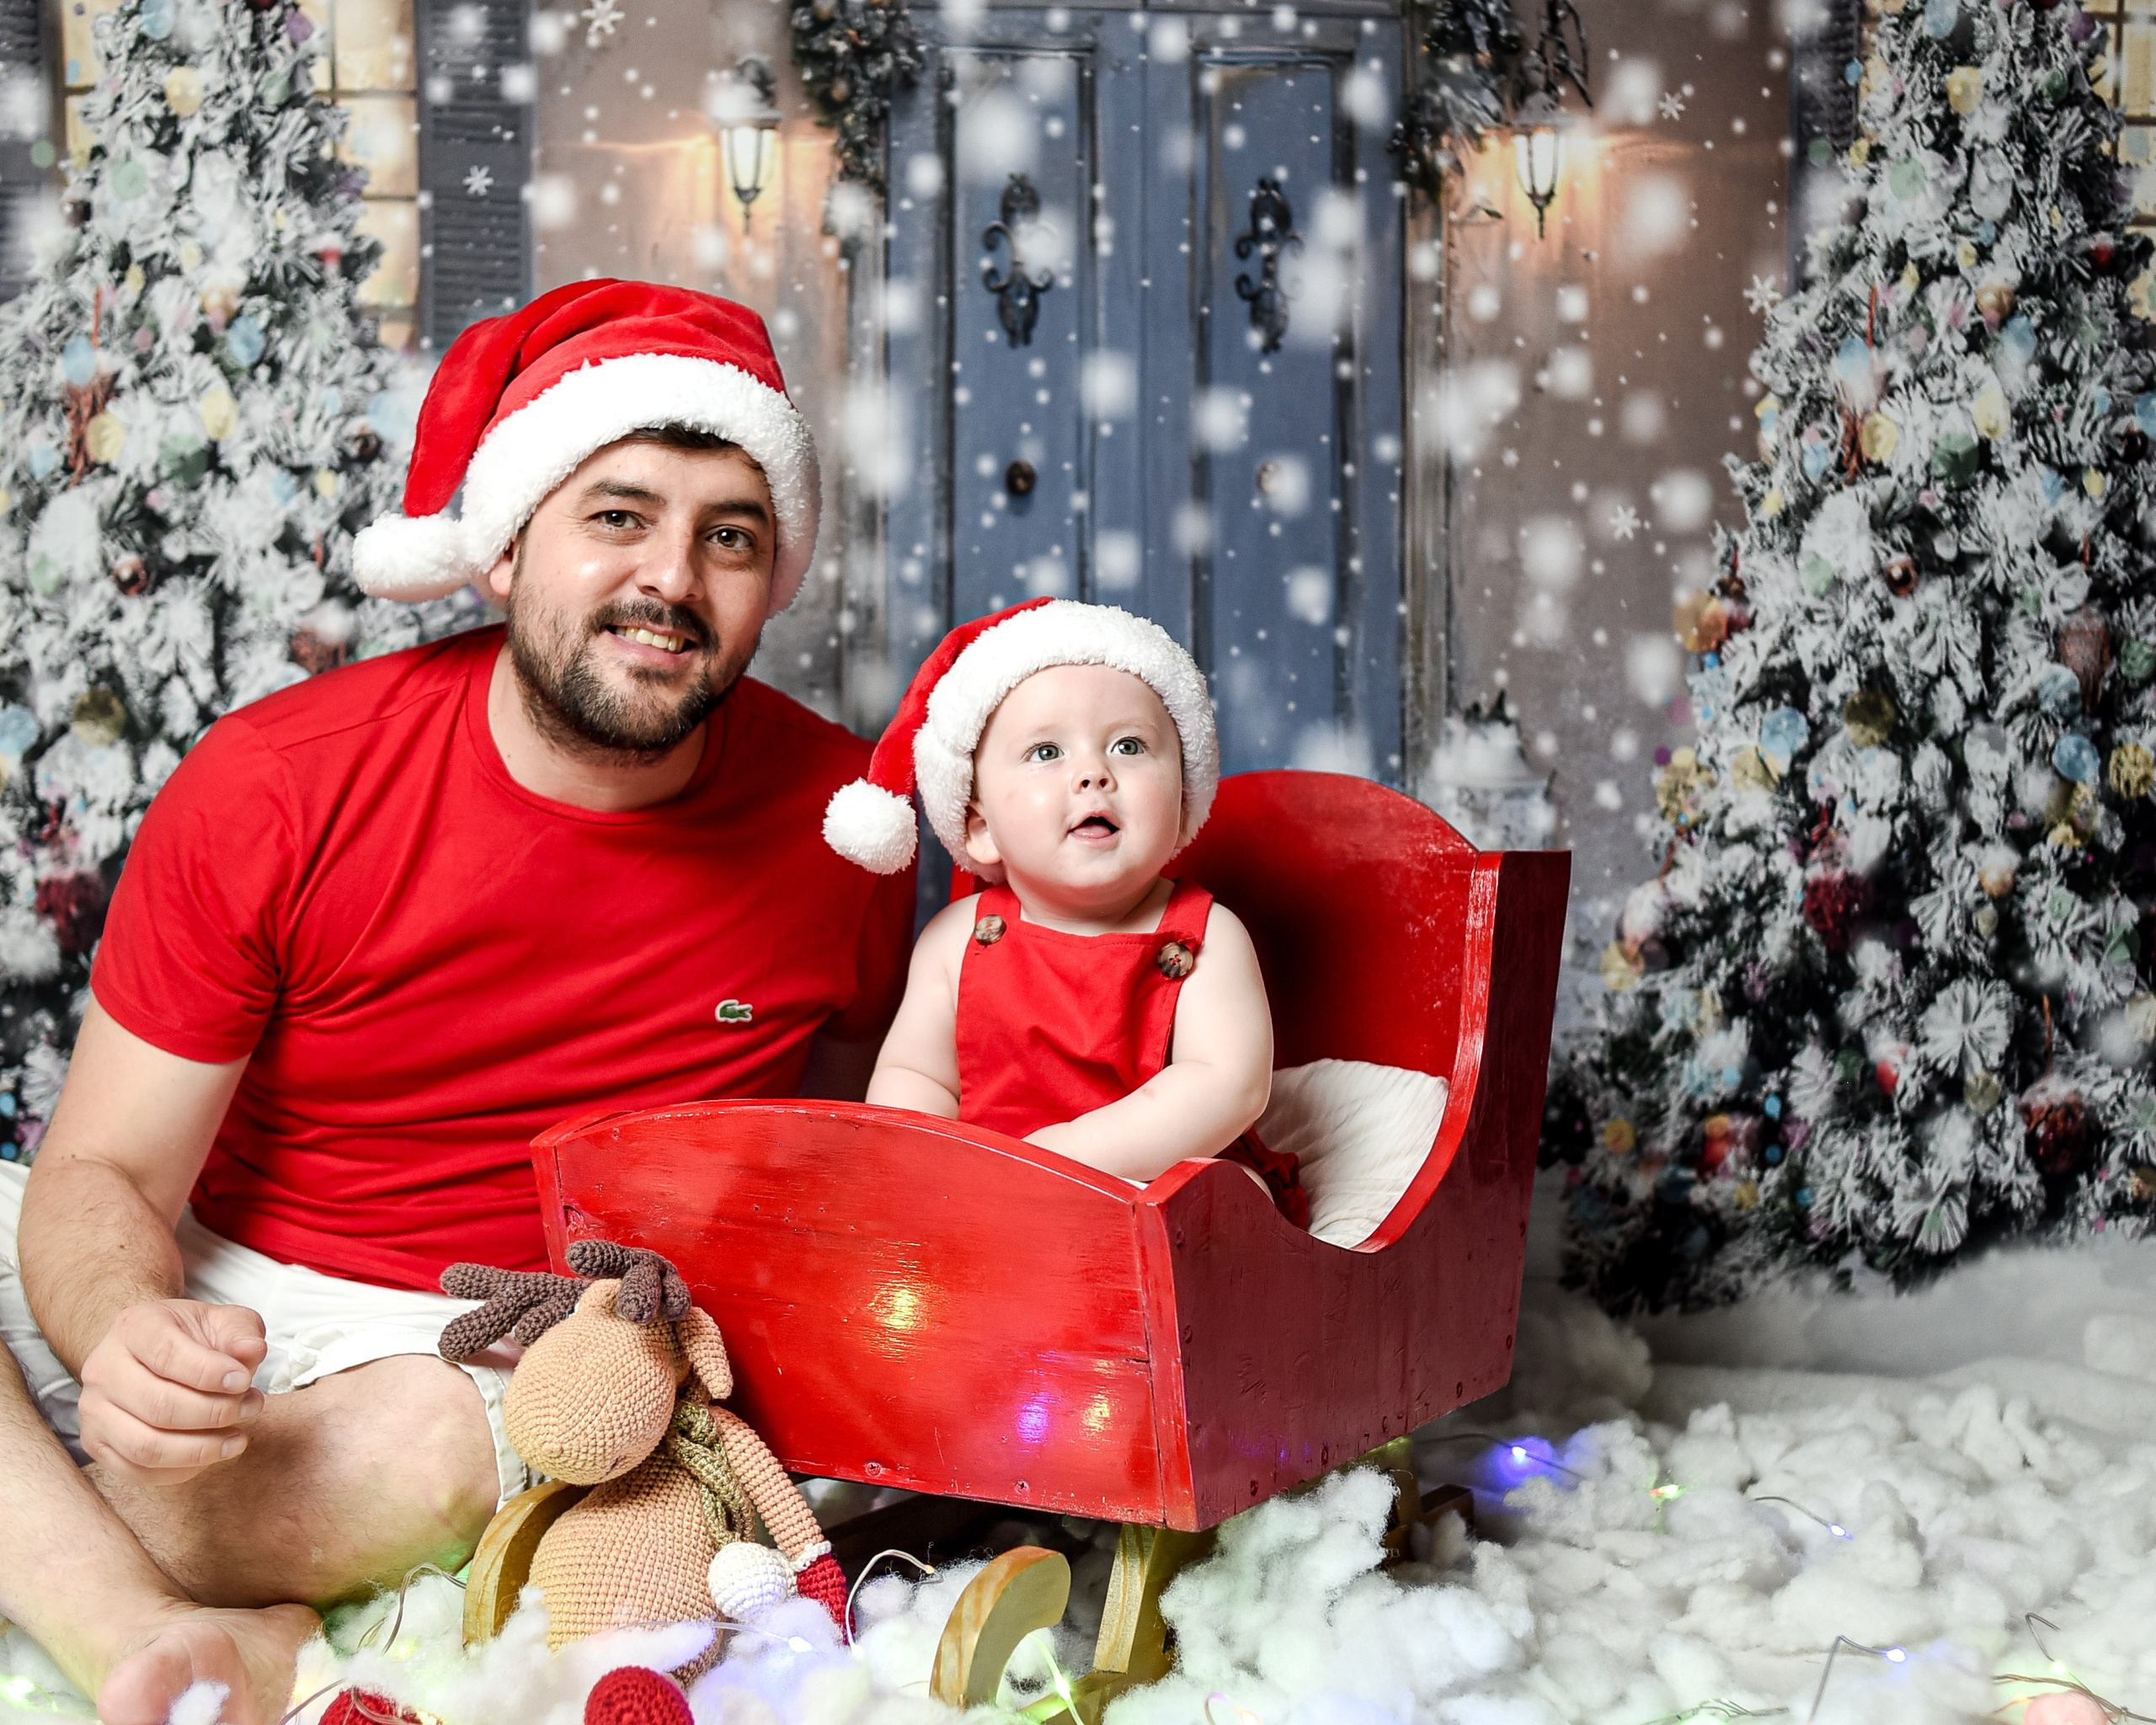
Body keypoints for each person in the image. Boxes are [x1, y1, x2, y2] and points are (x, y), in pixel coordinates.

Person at [0, 281, 915, 1725]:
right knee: (141, 1419)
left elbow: (875, 1147)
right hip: (225, 1274)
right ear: (502, 551)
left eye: (727, 536)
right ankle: (135, 1624)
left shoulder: (844, 827)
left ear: (771, 579)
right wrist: (126, 1330)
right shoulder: (280, 783)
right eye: (617, 516)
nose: (670, 577)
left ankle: (99, 1549)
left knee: (355, 1470)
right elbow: (101, 1169)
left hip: (501, 1343)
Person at [823, 599, 1299, 1212]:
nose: (1094, 774)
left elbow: (1226, 1085)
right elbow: (918, 1079)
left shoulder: (1207, 937)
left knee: (1230, 1205)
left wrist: (1060, 1160)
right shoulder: (956, 940)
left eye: (1129, 746)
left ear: (1183, 801)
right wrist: (922, 1175)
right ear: (980, 828)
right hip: (989, 1190)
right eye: (1047, 752)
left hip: (1147, 1183)